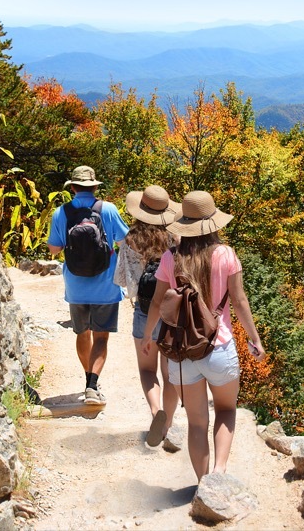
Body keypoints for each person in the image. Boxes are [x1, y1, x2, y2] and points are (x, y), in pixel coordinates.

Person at [142, 190, 265, 480]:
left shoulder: (170, 259)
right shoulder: (225, 254)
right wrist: (254, 339)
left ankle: (201, 484)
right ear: (212, 223)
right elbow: (239, 300)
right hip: (219, 348)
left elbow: (158, 302)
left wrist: (149, 336)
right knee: (225, 410)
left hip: (183, 352)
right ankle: (219, 473)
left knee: (197, 423)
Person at [47, 165, 129, 405]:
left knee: (82, 332)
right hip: (105, 285)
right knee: (101, 337)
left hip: (76, 285)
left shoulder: (60, 212)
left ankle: (89, 380)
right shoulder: (109, 209)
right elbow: (124, 240)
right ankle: (92, 386)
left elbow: (54, 248)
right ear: (95, 187)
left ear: (72, 187)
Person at [114, 185, 182, 449]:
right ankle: (168, 426)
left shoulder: (130, 240)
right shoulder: (175, 241)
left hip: (144, 311)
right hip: (172, 313)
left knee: (146, 369)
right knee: (170, 373)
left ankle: (156, 412)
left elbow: (122, 281)